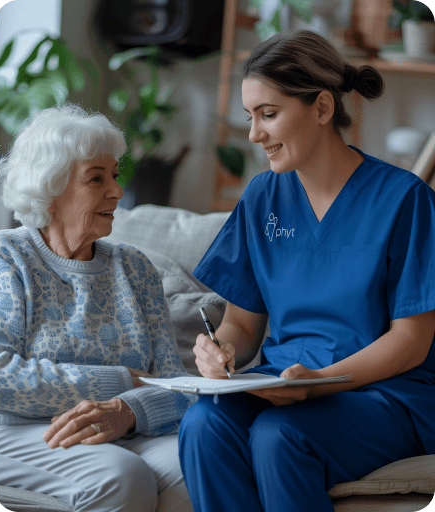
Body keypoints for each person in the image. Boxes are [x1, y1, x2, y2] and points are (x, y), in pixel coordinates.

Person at [178, 30, 435, 512]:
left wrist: (321, 381)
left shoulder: (404, 199)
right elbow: (243, 325)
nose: (254, 135)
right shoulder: (261, 198)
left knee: (280, 436)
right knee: (202, 423)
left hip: (386, 395)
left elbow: (412, 340)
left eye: (268, 114)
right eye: (250, 117)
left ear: (321, 108)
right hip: (283, 383)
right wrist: (221, 351)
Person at [0, 104, 196, 512]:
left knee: (195, 466)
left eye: (115, 175)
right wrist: (123, 381)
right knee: (122, 477)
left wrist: (128, 410)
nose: (117, 191)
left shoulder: (136, 268)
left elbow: (177, 388)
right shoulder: (6, 257)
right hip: (16, 429)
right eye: (96, 178)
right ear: (50, 187)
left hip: (127, 428)